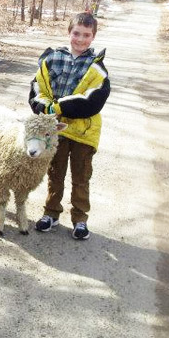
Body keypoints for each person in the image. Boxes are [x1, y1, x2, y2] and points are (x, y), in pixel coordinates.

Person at [28, 12, 110, 241]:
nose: (80, 39)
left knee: (81, 177)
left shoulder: (97, 68)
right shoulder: (52, 59)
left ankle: (80, 219)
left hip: (84, 133)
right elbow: (38, 89)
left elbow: (92, 101)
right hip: (56, 131)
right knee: (55, 173)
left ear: (93, 37)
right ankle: (51, 213)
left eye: (86, 35)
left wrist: (58, 107)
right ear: (69, 32)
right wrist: (45, 108)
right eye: (76, 33)